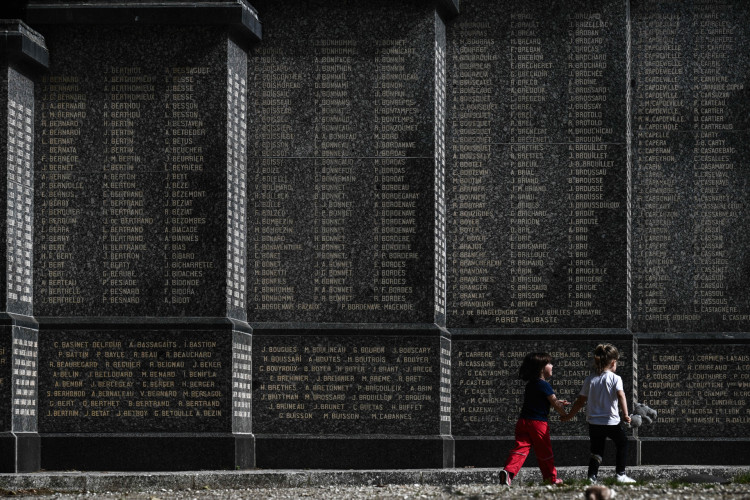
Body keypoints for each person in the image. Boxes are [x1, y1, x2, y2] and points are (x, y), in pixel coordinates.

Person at [562, 343, 636, 484]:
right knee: (623, 443)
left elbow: (580, 401)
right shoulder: (616, 379)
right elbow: (621, 396)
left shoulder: (590, 379)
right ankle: (620, 474)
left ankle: (591, 477)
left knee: (596, 450)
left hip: (594, 423)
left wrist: (569, 415)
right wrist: (626, 414)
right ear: (613, 362)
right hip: (611, 422)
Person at [499, 352, 570, 486]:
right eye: (549, 363)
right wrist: (564, 415)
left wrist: (556, 402)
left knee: (520, 450)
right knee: (545, 453)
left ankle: (508, 472)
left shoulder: (531, 384)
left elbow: (540, 400)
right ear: (541, 368)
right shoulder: (544, 385)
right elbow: (555, 403)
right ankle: (551, 479)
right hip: (538, 424)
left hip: (523, 422)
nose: (552, 365)